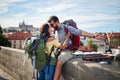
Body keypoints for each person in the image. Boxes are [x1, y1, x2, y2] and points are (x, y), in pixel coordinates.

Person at [48, 15, 96, 80]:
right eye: (50, 25)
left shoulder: (67, 28)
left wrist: (93, 36)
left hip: (67, 51)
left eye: (52, 24)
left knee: (59, 63)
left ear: (57, 22)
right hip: (59, 50)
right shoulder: (55, 31)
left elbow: (79, 32)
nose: (51, 26)